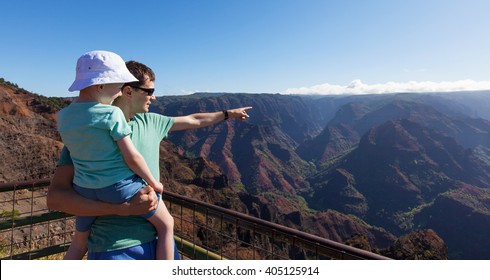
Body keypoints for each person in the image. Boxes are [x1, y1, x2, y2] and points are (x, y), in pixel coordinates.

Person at [47, 59, 252, 260]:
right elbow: (55, 198)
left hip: (158, 243)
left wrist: (227, 114)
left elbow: (194, 120)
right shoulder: (91, 135)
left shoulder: (150, 122)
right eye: (150, 91)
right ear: (128, 91)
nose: (153, 98)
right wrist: (121, 209)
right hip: (114, 248)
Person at [57, 50, 174, 260]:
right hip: (117, 187)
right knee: (166, 225)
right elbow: (132, 158)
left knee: (79, 241)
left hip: (84, 190)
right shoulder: (111, 114)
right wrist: (153, 182)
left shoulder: (63, 116)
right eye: (118, 85)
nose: (120, 91)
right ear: (101, 85)